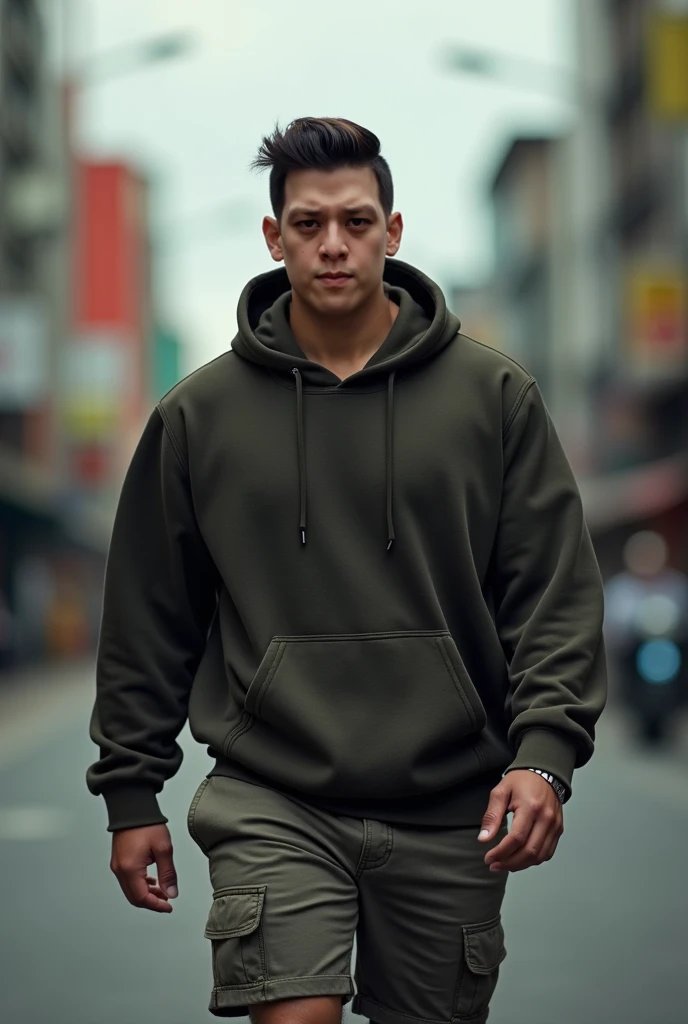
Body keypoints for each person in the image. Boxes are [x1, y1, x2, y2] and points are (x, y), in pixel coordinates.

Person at [86, 117, 608, 1024]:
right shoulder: (198, 416)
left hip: (452, 804)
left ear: (393, 231)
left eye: (357, 221)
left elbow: (552, 595)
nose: (333, 244)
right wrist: (131, 792)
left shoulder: (493, 398)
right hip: (272, 793)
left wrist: (547, 758)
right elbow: (149, 618)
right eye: (308, 223)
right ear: (274, 235)